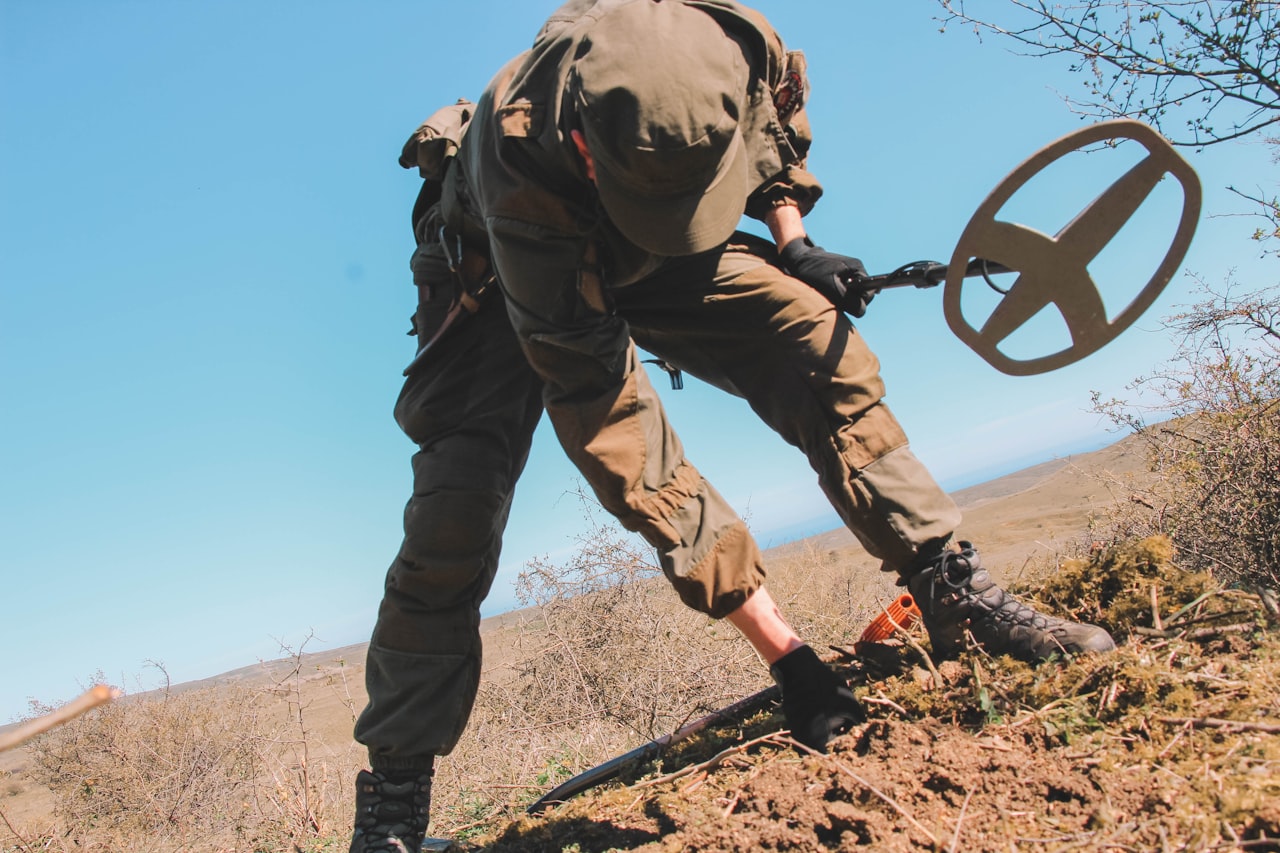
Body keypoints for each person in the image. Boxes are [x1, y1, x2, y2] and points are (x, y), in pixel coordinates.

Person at [349, 2, 1117, 850]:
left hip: (649, 227)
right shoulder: (523, 159)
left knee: (807, 340)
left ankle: (952, 591)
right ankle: (394, 807)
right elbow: (621, 433)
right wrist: (788, 656)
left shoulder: (732, 37)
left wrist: (793, 241)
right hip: (494, 272)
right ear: (583, 147)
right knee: (456, 512)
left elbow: (775, 125)